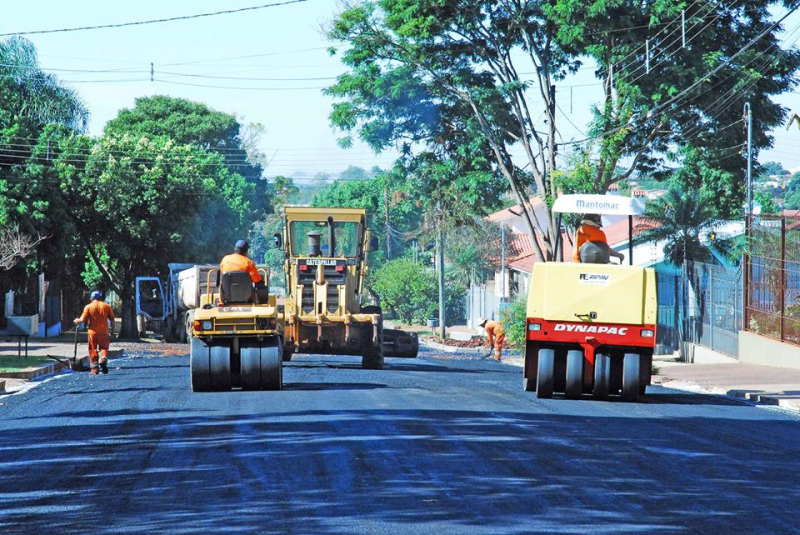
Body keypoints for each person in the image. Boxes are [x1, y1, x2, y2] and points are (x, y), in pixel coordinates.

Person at [73, 290, 115, 375]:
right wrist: (112, 332)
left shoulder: (88, 307)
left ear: (91, 298)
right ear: (100, 297)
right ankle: (103, 359)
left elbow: (82, 319)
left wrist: (77, 321)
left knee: (92, 349)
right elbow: (112, 320)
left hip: (92, 332)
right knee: (104, 348)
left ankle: (94, 369)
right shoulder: (107, 306)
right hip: (104, 331)